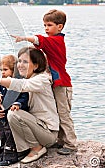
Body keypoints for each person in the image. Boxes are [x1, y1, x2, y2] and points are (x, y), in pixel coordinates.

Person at [0, 47, 59, 164]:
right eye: (19, 61)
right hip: (34, 126)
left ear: (35, 66)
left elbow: (21, 85)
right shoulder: (25, 78)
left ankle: (36, 148)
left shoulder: (41, 79)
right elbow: (12, 91)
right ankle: (10, 146)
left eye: (25, 62)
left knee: (14, 114)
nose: (20, 65)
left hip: (47, 133)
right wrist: (0, 104)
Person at [11, 9, 77, 155]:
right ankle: (60, 140)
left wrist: (24, 38)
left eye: (49, 25)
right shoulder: (52, 42)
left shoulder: (57, 41)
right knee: (57, 112)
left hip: (62, 85)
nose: (46, 28)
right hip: (56, 84)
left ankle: (70, 144)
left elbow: (40, 40)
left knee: (64, 113)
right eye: (44, 25)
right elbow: (41, 45)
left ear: (59, 27)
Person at [0, 55, 29, 166]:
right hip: (4, 114)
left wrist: (18, 104)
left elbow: (24, 97)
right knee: (3, 131)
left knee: (10, 133)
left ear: (13, 71)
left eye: (5, 70)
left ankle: (11, 153)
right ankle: (4, 149)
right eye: (1, 70)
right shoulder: (3, 82)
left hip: (13, 113)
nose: (2, 73)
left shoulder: (18, 83)